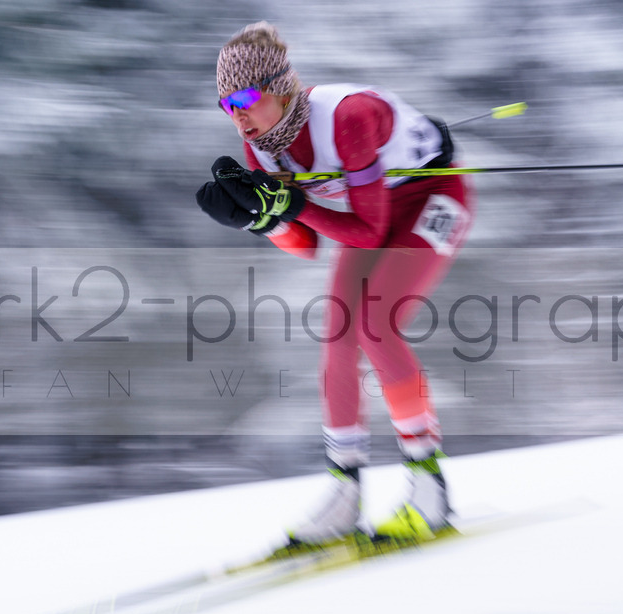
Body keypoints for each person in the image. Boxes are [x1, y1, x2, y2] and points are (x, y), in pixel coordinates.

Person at [196, 21, 473, 546]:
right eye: (225, 105)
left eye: (247, 98)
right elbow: (307, 244)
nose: (238, 115)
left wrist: (294, 203)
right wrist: (264, 219)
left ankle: (429, 484)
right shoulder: (263, 149)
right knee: (338, 338)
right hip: (370, 216)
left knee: (376, 326)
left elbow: (365, 231)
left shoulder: (349, 116)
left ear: (280, 86)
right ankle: (345, 489)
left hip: (433, 200)